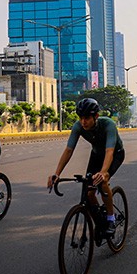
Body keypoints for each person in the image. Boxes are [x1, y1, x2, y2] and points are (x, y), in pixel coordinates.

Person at [47, 98, 124, 237]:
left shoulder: (108, 125)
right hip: (96, 155)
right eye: (81, 118)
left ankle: (111, 219)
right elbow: (69, 150)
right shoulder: (78, 126)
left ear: (96, 116)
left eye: (87, 118)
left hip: (115, 154)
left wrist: (103, 172)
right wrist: (56, 174)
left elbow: (109, 152)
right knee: (89, 193)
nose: (83, 122)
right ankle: (100, 222)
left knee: (103, 180)